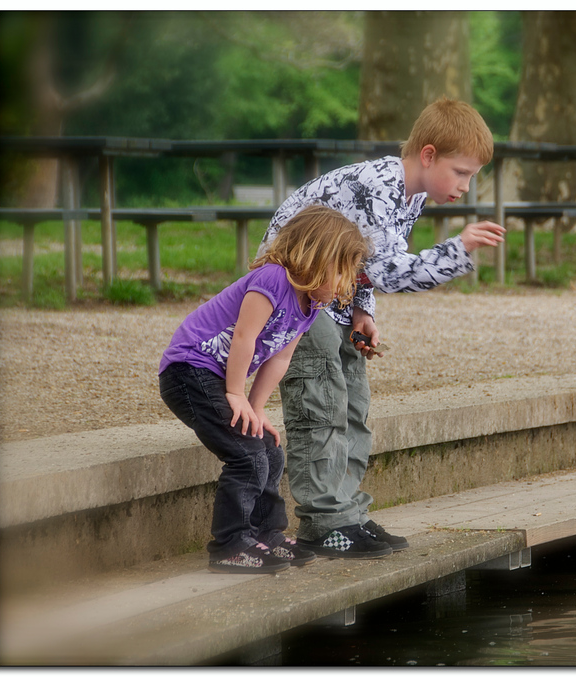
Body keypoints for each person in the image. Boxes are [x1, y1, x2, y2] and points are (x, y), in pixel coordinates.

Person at [257, 97, 505, 559]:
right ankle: (323, 521)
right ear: (428, 155)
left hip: (334, 296)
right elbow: (393, 270)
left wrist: (362, 309)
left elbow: (366, 263)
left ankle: (347, 513)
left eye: (471, 176)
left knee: (352, 402)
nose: (466, 187)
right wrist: (458, 248)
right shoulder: (381, 183)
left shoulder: (409, 193)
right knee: (321, 402)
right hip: (294, 294)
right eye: (461, 172)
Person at [159, 205, 370, 574]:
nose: (345, 283)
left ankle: (267, 534)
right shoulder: (273, 279)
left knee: (269, 451)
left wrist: (256, 408)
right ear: (316, 256)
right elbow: (245, 336)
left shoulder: (311, 305)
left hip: (220, 377)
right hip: (190, 370)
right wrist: (237, 394)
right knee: (247, 456)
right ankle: (229, 544)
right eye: (342, 271)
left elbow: (279, 360)